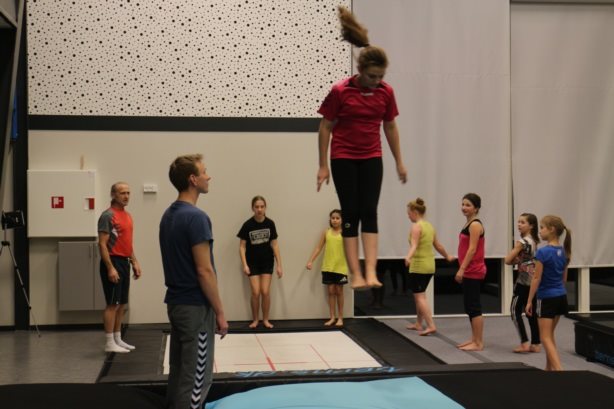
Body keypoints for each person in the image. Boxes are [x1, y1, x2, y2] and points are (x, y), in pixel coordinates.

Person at [316, 6, 407, 290]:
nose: (376, 81)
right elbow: (325, 127)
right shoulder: (341, 91)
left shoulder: (386, 92)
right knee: (351, 211)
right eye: (372, 76)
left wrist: (399, 161)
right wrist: (323, 165)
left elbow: (390, 126)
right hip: (343, 157)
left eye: (380, 76)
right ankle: (355, 273)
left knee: (369, 210)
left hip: (371, 156)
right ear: (360, 71)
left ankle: (371, 271)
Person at [159, 154, 228, 409]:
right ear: (193, 179)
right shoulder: (196, 217)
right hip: (195, 308)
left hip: (176, 304)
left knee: (179, 372)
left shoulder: (168, 215)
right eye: (204, 172)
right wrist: (220, 312)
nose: (209, 176)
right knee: (198, 377)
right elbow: (204, 271)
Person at [98, 182, 142, 353]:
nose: (126, 196)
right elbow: (102, 244)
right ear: (113, 195)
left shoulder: (128, 216)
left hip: (124, 262)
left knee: (122, 303)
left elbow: (127, 243)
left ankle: (117, 338)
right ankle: (109, 342)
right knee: (112, 304)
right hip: (113, 261)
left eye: (128, 193)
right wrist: (110, 268)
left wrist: (134, 261)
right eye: (122, 193)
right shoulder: (107, 216)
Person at [525, 215, 571, 371]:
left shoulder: (543, 252)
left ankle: (559, 371)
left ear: (551, 229)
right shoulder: (564, 251)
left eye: (542, 227)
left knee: (544, 337)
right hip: (560, 296)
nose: (540, 231)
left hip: (546, 298)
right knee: (549, 335)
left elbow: (536, 278)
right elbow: (564, 279)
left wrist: (529, 300)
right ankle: (548, 370)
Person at [405, 198, 455, 336]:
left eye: (409, 213)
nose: (408, 216)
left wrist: (408, 257)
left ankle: (431, 325)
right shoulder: (429, 226)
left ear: (415, 212)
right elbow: (438, 245)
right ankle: (418, 323)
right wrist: (447, 256)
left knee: (420, 297)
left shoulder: (416, 227)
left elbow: (414, 245)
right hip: (430, 266)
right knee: (420, 295)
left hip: (419, 266)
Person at [238, 196, 283, 329]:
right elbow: (242, 247)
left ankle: (266, 320)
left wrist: (279, 265)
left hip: (267, 262)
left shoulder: (270, 223)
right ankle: (255, 320)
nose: (259, 209)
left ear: (265, 207)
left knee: (265, 291)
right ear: (252, 208)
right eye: (257, 207)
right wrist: (245, 264)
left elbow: (275, 245)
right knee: (256, 292)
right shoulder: (247, 225)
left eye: (262, 206)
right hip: (252, 263)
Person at [505, 213, 541, 353]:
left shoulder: (522, 242)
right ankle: (536, 343)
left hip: (523, 282)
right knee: (531, 311)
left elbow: (507, 260)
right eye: (518, 222)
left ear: (531, 225)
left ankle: (524, 341)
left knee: (514, 311)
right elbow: (529, 260)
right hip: (534, 281)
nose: (519, 224)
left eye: (523, 222)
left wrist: (517, 259)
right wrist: (520, 261)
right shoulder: (535, 240)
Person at [306, 209, 349, 327]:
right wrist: (311, 261)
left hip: (341, 267)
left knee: (339, 291)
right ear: (330, 219)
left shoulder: (345, 233)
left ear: (342, 220)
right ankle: (332, 317)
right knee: (330, 291)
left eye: (337, 218)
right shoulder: (326, 232)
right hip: (328, 267)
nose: (335, 220)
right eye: (333, 218)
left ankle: (340, 318)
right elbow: (318, 248)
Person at [455, 193, 487, 351]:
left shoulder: (475, 225)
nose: (464, 207)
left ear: (476, 208)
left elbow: (472, 249)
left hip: (473, 270)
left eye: (468, 205)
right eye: (463, 204)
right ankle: (474, 338)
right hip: (468, 270)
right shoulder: (468, 224)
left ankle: (479, 342)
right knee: (469, 306)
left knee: (474, 306)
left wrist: (461, 269)